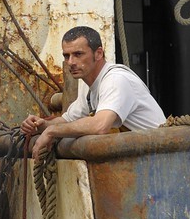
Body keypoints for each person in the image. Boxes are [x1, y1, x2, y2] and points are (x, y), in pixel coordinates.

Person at [19, 26, 165, 160]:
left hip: (160, 158)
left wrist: (51, 131)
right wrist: (41, 125)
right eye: (66, 56)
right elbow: (68, 120)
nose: (70, 62)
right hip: (138, 160)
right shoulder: (87, 84)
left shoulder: (116, 80)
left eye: (78, 54)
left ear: (98, 53)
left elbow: (100, 125)